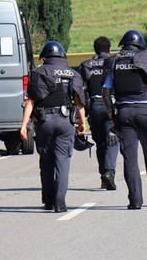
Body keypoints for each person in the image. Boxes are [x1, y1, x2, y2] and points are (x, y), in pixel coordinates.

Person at [102, 29, 147, 209]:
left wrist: (111, 113)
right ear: (140, 44)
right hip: (145, 111)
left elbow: (105, 91)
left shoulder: (115, 61)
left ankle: (135, 200)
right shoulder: (146, 58)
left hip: (123, 113)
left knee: (130, 158)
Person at [20, 41, 86, 213]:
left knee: (46, 161)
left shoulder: (37, 73)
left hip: (44, 122)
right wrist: (82, 122)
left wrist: (24, 125)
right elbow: (79, 102)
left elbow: (31, 101)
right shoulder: (72, 73)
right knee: (62, 162)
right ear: (62, 56)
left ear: (45, 56)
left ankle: (48, 201)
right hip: (65, 121)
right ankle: (59, 202)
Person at [78, 36, 118, 190]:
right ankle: (109, 172)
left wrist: (81, 114)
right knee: (113, 139)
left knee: (100, 143)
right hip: (110, 105)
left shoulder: (86, 65)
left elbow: (80, 90)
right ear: (109, 49)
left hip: (94, 107)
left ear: (95, 50)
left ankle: (103, 176)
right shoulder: (114, 62)